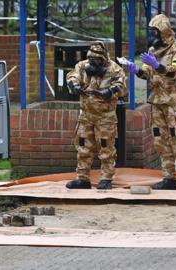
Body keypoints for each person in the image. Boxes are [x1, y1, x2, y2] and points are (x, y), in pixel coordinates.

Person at [125, 14, 176, 190]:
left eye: (155, 31)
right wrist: (136, 70)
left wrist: (157, 66)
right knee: (160, 140)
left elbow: (173, 72)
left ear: (163, 31)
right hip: (157, 101)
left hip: (172, 102)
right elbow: (147, 73)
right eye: (151, 31)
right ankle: (169, 178)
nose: (152, 35)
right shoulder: (153, 49)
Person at [65, 42, 127, 190]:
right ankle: (83, 179)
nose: (93, 62)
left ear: (103, 58)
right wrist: (74, 86)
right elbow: (72, 76)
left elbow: (122, 86)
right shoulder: (82, 66)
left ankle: (106, 178)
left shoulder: (114, 69)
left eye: (96, 59)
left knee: (106, 149)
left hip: (105, 117)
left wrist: (111, 91)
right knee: (83, 147)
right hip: (86, 115)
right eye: (91, 59)